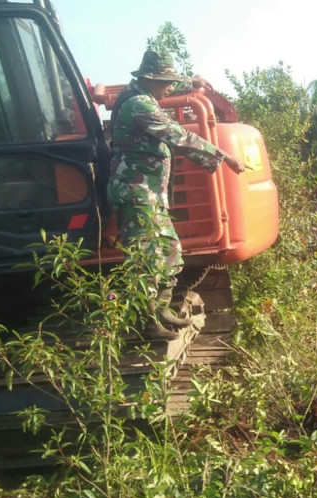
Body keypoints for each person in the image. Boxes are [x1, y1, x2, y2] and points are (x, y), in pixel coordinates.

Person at [108, 51, 245, 340]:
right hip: (136, 193)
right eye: (167, 81)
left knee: (170, 250)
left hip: (151, 194)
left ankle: (161, 308)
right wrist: (224, 157)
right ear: (151, 80)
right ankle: (145, 324)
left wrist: (192, 84)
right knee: (145, 259)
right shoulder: (138, 105)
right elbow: (177, 135)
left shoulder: (142, 97)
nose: (170, 87)